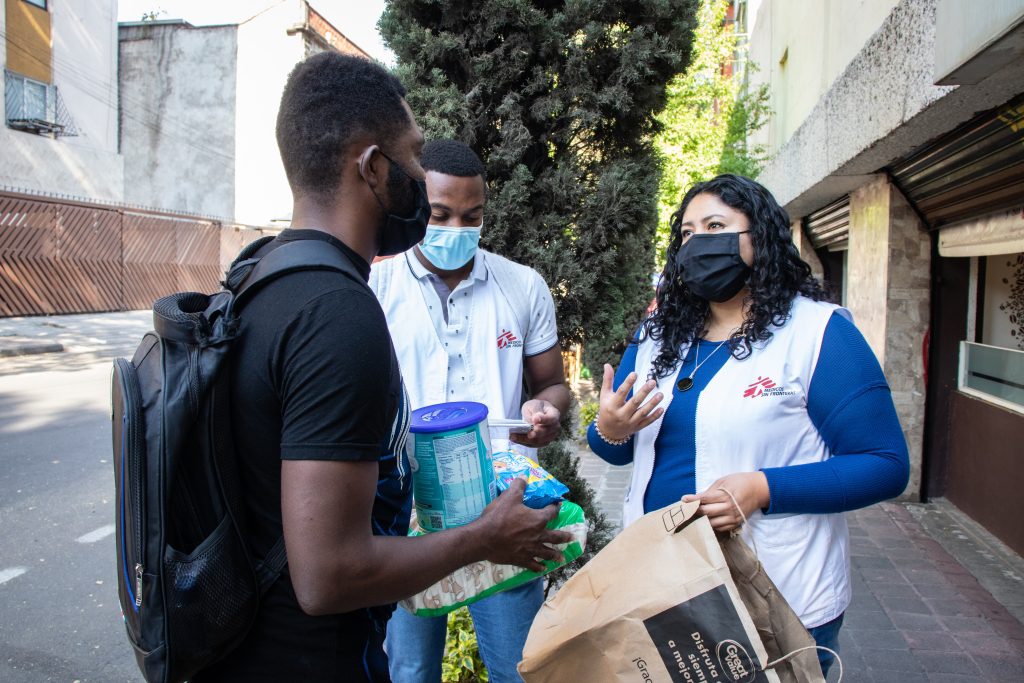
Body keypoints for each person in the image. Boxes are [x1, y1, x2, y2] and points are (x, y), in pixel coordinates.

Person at [193, 53, 570, 682]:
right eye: (416, 159)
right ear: (373, 168)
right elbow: (328, 576)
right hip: (318, 645)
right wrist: (481, 539)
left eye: (470, 214)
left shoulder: (258, 278)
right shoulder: (342, 310)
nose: (423, 183)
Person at [587, 174, 910, 677]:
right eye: (688, 234)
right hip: (661, 584)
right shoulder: (657, 338)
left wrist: (764, 488)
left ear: (760, 238)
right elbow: (614, 448)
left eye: (716, 226)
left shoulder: (819, 334)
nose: (698, 244)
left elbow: (885, 465)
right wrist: (608, 427)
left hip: (775, 592)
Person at [371, 139, 571, 683]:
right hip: (403, 512)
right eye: (440, 214)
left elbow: (553, 385)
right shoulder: (374, 287)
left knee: (518, 667)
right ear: (415, 205)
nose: (457, 228)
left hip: (500, 506)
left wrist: (544, 410)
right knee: (409, 670)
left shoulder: (521, 286)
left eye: (472, 216)